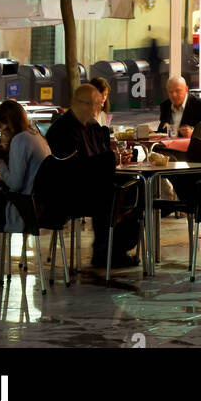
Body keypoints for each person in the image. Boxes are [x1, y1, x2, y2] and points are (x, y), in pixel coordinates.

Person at [46, 84, 138, 269]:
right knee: (108, 192)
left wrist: (119, 158)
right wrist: (108, 159)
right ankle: (103, 251)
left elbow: (103, 157)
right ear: (74, 103)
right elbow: (66, 167)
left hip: (95, 184)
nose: (93, 109)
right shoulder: (61, 129)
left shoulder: (94, 127)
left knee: (137, 187)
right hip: (68, 190)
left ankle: (116, 247)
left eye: (96, 104)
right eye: (87, 104)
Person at [0, 99, 52, 231]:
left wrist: (1, 166)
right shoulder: (37, 136)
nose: (0, 132)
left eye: (0, 126)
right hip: (44, 205)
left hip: (24, 208)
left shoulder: (20, 140)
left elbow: (16, 184)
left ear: (7, 124)